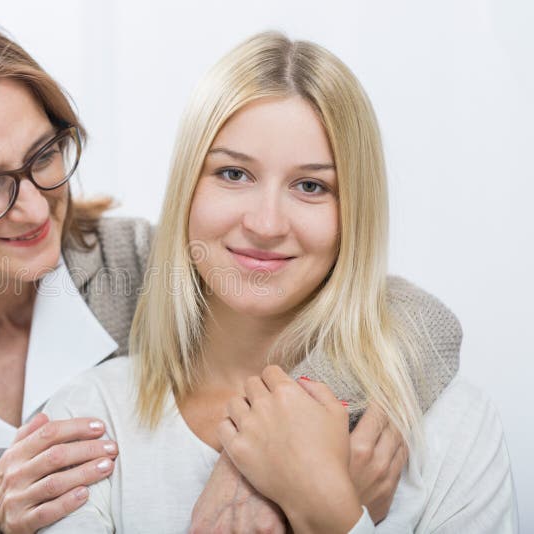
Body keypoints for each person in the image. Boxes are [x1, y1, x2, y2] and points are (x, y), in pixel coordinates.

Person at [0, 15, 462, 533]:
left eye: (44, 156)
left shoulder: (140, 267)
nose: (37, 206)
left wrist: (258, 463)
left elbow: (417, 317)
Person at [40, 31, 518, 533]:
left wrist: (329, 510)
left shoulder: (452, 427)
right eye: (233, 174)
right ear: (187, 189)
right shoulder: (90, 423)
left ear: (355, 214)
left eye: (311, 186)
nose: (266, 224)